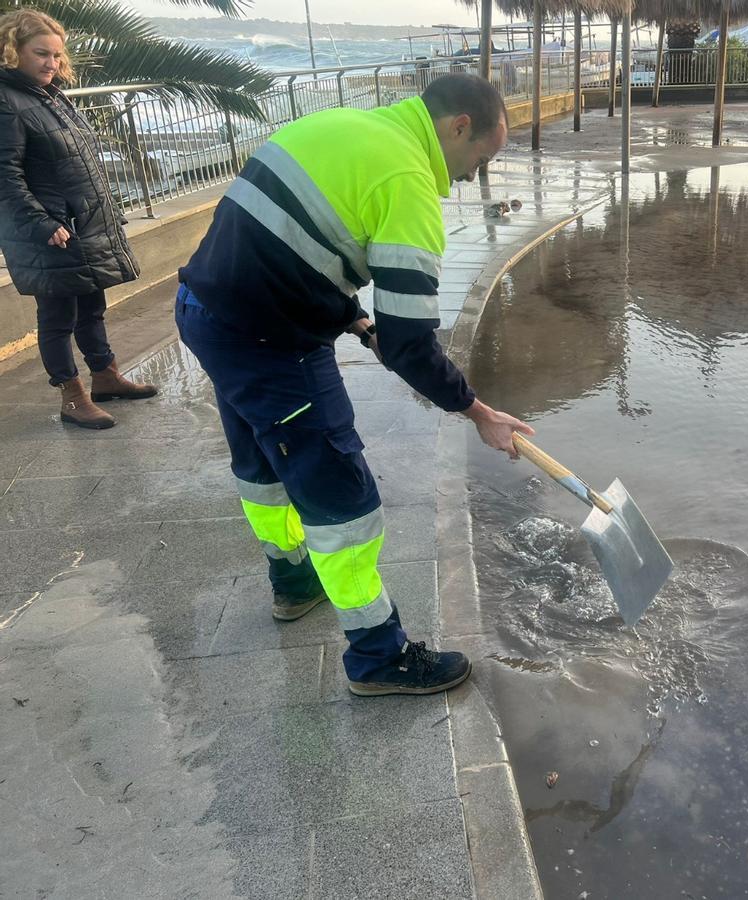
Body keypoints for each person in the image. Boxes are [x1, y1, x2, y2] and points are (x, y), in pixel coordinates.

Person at [176, 73, 533, 697]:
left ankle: (293, 583)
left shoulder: (342, 125)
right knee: (343, 502)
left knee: (262, 466)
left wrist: (357, 320)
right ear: (459, 128)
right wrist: (478, 412)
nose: (471, 178)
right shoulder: (408, 181)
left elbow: (293, 243)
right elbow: (410, 345)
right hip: (270, 344)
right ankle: (378, 657)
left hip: (205, 312)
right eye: (481, 160)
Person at [0, 9, 157, 430]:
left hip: (81, 226)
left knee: (92, 307)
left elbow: (79, 162)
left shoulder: (49, 95)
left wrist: (106, 211)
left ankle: (105, 377)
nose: (51, 63)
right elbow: (5, 176)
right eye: (41, 53)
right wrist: (42, 223)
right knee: (57, 318)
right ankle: (72, 397)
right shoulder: (6, 101)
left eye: (56, 55)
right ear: (12, 50)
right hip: (49, 232)